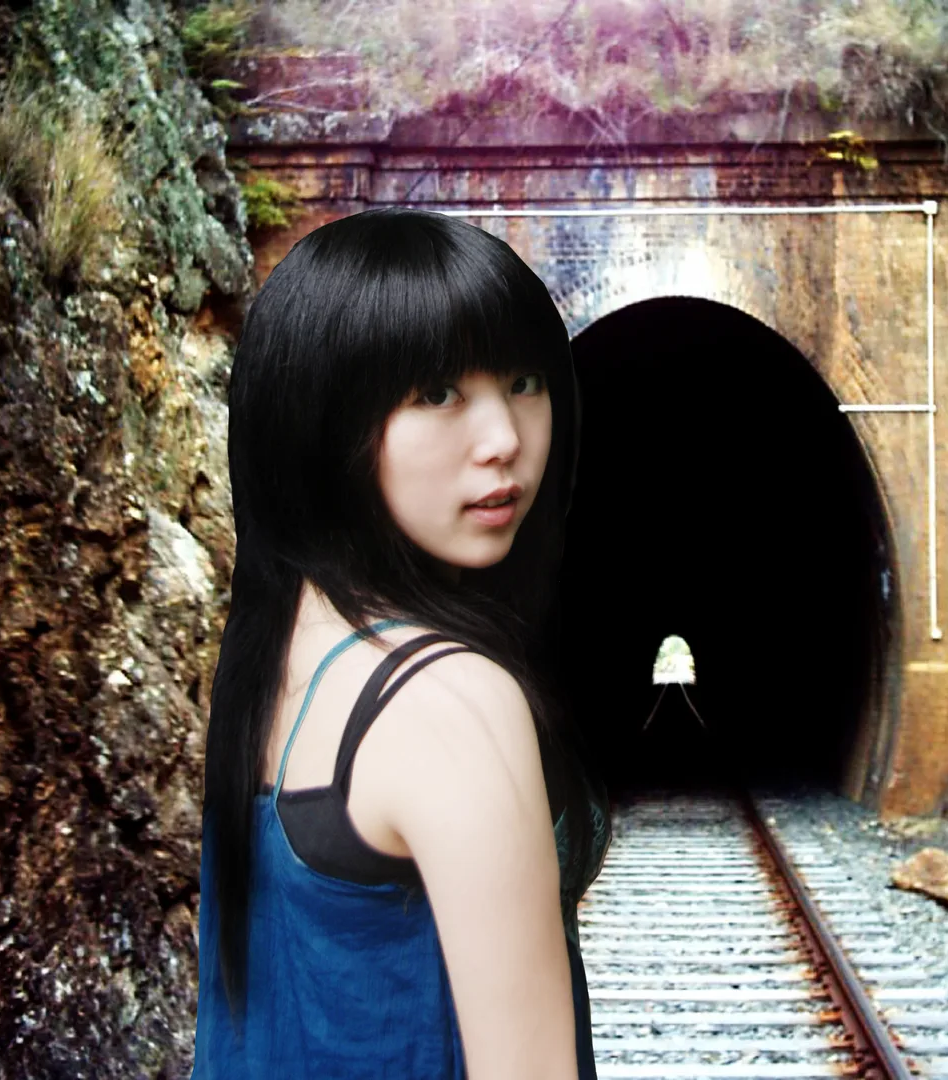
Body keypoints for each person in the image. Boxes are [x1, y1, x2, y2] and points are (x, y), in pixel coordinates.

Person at [192, 207, 610, 1079]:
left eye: (525, 380)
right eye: (436, 393)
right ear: (321, 420)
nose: (505, 440)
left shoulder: (274, 657)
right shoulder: (449, 702)